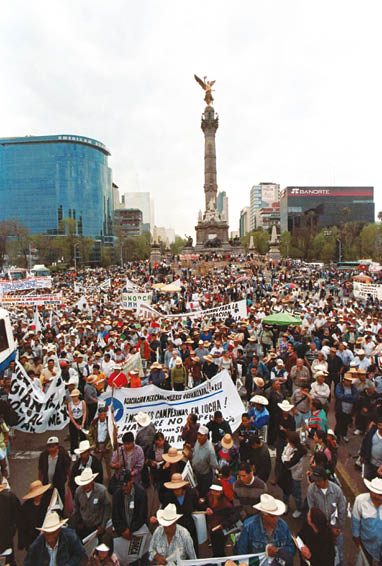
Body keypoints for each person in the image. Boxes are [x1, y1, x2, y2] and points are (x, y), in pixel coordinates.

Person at [236, 493, 295, 565]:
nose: (276, 519)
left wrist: (278, 551)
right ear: (264, 515)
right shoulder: (249, 526)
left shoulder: (283, 525)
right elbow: (241, 553)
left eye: (277, 515)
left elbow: (292, 548)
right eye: (272, 516)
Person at [306, 466, 346, 566]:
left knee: (339, 554)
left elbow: (342, 510)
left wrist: (337, 528)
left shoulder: (337, 491)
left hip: (335, 529)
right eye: (315, 481)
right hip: (320, 530)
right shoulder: (311, 490)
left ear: (325, 480)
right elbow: (311, 509)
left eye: (319, 481)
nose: (316, 483)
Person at [160, 473, 199, 555]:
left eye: (178, 488)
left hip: (189, 526)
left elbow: (197, 506)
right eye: (174, 489)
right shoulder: (168, 496)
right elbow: (164, 510)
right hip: (175, 528)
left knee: (192, 549)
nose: (176, 491)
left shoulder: (191, 493)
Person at [72, 467, 111, 540]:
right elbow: (76, 508)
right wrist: (77, 522)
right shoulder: (78, 491)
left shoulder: (102, 491)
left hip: (97, 527)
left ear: (92, 481)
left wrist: (103, 525)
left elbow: (107, 509)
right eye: (83, 484)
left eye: (87, 483)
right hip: (84, 527)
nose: (85, 486)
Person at [111, 470, 148, 546]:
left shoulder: (141, 493)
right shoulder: (117, 494)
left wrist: (130, 530)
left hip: (137, 530)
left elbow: (142, 516)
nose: (123, 488)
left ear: (131, 480)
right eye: (121, 485)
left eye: (125, 485)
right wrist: (123, 530)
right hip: (122, 532)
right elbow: (115, 516)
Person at [352, 476, 382, 565]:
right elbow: (355, 521)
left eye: (380, 494)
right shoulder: (360, 500)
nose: (376, 496)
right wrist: (356, 538)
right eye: (374, 493)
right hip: (366, 543)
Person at [278, 430, 307, 518]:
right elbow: (283, 453)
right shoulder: (289, 446)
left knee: (296, 493)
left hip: (295, 476)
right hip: (287, 474)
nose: (287, 442)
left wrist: (285, 459)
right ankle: (285, 505)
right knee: (285, 490)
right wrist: (285, 458)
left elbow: (289, 464)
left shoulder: (299, 453)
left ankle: (299, 509)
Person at [19, 480, 52, 551]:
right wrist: (22, 542)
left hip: (46, 538)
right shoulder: (26, 507)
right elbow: (22, 525)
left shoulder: (48, 502)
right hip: (31, 539)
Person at [38, 436, 71, 504]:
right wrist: (39, 482)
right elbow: (40, 470)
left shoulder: (63, 455)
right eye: (49, 447)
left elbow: (67, 469)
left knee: (60, 501)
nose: (51, 449)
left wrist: (69, 481)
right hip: (47, 484)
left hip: (59, 485)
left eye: (53, 446)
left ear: (57, 446)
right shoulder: (43, 456)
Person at [87, 404, 115, 480]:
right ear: (98, 415)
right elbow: (89, 435)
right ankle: (98, 479)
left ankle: (111, 480)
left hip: (107, 446)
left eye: (104, 414)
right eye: (101, 414)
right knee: (96, 465)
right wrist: (94, 446)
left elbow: (113, 435)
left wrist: (107, 447)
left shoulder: (110, 422)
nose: (102, 416)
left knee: (110, 465)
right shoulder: (94, 423)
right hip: (97, 445)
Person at [191, 424, 218, 497]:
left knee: (204, 495)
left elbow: (214, 464)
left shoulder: (210, 450)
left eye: (201, 435)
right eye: (198, 434)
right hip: (197, 473)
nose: (199, 437)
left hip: (205, 476)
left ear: (206, 436)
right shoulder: (197, 442)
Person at [0, 478, 20, 566]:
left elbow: (18, 517)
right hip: (7, 540)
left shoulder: (10, 498)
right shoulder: (10, 497)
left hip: (6, 541)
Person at [334, 372, 359, 442]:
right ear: (344, 380)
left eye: (350, 381)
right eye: (347, 380)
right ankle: (336, 436)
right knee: (339, 423)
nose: (349, 382)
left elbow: (356, 397)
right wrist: (350, 397)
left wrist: (346, 397)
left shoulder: (353, 387)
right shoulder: (339, 386)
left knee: (345, 423)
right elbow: (339, 395)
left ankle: (344, 435)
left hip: (349, 410)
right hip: (340, 409)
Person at [360, 415, 382, 480]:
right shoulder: (372, 432)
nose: (381, 427)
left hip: (380, 467)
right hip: (369, 462)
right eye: (379, 425)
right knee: (367, 479)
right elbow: (365, 443)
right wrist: (362, 455)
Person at [68, 388, 87, 455]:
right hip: (73, 420)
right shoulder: (70, 404)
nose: (73, 398)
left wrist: (82, 423)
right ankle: (73, 452)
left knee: (83, 436)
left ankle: (83, 451)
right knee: (73, 437)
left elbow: (84, 412)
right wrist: (75, 424)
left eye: (75, 396)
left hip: (81, 419)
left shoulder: (82, 402)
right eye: (72, 397)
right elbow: (70, 414)